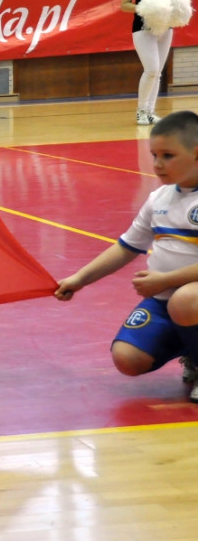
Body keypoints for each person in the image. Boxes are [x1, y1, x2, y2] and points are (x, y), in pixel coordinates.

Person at [55, 111, 198, 401]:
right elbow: (126, 246)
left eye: (168, 155)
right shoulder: (159, 199)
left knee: (185, 300)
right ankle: (191, 350)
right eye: (154, 154)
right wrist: (80, 279)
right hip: (165, 301)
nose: (157, 164)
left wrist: (166, 280)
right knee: (127, 358)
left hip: (186, 299)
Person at [121, 0, 177, 126]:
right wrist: (145, 8)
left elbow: (175, 0)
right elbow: (124, 5)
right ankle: (141, 111)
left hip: (165, 28)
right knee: (151, 69)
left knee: (158, 72)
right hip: (143, 29)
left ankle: (150, 112)